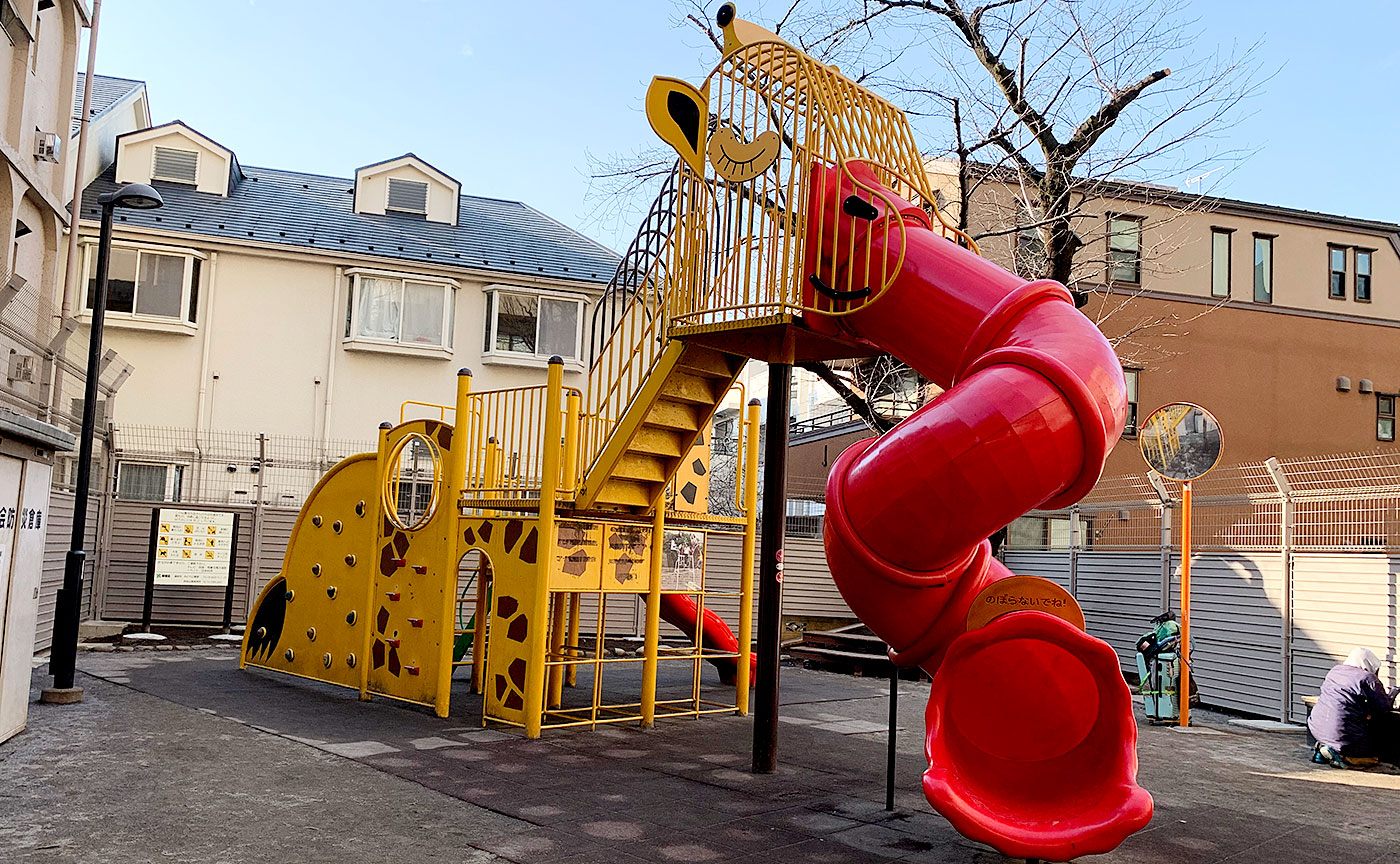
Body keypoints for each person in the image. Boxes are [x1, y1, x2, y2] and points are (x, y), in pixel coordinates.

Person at [1308, 647, 1397, 768]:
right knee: (1373, 756)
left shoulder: (1335, 671)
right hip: (1342, 734)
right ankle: (1341, 756)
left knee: (1339, 733)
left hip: (1316, 729)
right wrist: (1391, 695)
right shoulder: (1367, 678)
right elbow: (1382, 706)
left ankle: (1324, 749)